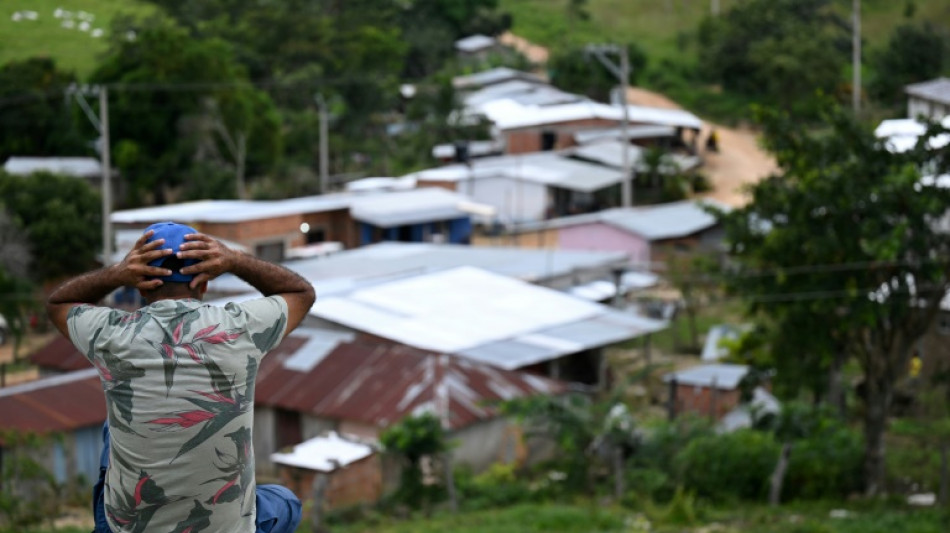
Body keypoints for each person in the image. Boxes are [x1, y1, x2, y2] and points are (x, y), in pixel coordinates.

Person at [47, 222, 316, 533]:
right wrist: (235, 260)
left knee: (113, 426)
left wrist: (115, 273)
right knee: (285, 501)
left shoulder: (112, 334)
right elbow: (301, 292)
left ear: (141, 284)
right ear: (203, 284)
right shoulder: (238, 328)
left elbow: (58, 304)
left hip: (127, 527)